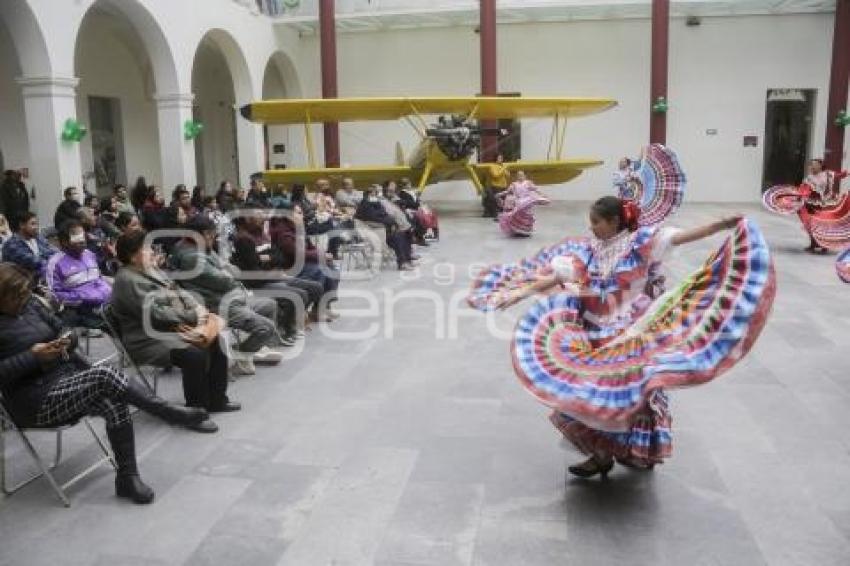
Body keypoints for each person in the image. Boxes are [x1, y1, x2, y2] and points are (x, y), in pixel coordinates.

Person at [474, 197, 774, 478]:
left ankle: (635, 451)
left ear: (615, 221)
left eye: (597, 222)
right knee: (588, 391)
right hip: (594, 330)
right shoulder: (590, 251)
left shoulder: (642, 243)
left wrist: (723, 224)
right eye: (591, 221)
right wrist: (520, 292)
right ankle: (601, 455)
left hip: (633, 330)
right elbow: (560, 276)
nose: (591, 227)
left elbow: (682, 237)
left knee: (632, 392)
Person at [0, 262, 208, 503]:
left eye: (25, 293)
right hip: (33, 401)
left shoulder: (32, 305)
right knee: (105, 376)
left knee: (114, 400)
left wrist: (67, 340)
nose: (23, 299)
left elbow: (64, 328)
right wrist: (32, 357)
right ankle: (168, 412)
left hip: (66, 380)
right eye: (16, 295)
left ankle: (127, 478)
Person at [110, 230, 237, 432]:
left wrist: (196, 306)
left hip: (171, 328)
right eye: (146, 248)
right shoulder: (127, 280)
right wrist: (193, 316)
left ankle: (217, 399)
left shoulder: (150, 269)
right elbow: (155, 314)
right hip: (147, 339)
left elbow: (178, 290)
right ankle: (195, 412)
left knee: (216, 341)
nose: (152, 252)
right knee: (194, 355)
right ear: (133, 255)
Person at [171, 216, 286, 372]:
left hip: (229, 297)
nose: (215, 237)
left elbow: (230, 269)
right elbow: (226, 280)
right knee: (266, 328)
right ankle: (242, 354)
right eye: (212, 234)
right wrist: (231, 276)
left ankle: (253, 349)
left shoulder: (201, 247)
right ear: (204, 234)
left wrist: (230, 273)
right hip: (216, 305)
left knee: (270, 305)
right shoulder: (192, 258)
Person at [230, 210, 323, 328]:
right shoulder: (244, 240)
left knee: (316, 287)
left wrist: (266, 259)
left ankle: (295, 317)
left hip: (275, 274)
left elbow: (279, 257)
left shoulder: (263, 235)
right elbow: (254, 269)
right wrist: (270, 267)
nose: (263, 218)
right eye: (258, 215)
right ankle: (285, 326)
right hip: (262, 282)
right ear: (247, 219)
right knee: (300, 293)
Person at [45, 219, 112, 331]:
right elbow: (54, 296)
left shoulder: (89, 254)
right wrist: (83, 297)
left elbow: (98, 278)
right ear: (65, 241)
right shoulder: (55, 263)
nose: (83, 240)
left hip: (107, 305)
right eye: (77, 237)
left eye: (83, 236)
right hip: (82, 311)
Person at [356, 185, 414, 270]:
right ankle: (403, 262)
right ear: (369, 195)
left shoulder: (376, 203)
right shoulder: (366, 203)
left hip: (383, 228)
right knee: (398, 237)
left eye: (377, 193)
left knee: (404, 234)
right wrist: (391, 223)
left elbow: (384, 214)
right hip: (373, 230)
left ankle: (407, 260)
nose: (377, 195)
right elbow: (374, 217)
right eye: (374, 193)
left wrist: (392, 222)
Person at [800, 158, 847, 253]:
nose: (813, 166)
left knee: (822, 225)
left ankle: (824, 245)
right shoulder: (809, 178)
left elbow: (838, 176)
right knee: (810, 225)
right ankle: (813, 244)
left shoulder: (827, 174)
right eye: (812, 164)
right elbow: (803, 189)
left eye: (815, 164)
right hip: (809, 204)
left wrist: (845, 173)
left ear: (821, 166)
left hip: (821, 204)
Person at [1, 211, 57, 278]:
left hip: (40, 278)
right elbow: (33, 261)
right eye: (33, 224)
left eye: (37, 224)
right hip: (19, 283)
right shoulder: (12, 245)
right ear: (22, 225)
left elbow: (52, 251)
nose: (36, 227)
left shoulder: (37, 238)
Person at [497, 171, 550, 237]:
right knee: (517, 214)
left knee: (527, 216)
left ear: (524, 176)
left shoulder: (528, 183)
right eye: (519, 175)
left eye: (521, 175)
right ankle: (518, 229)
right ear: (517, 176)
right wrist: (500, 194)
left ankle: (526, 230)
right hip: (519, 201)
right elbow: (507, 191)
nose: (520, 177)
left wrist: (543, 195)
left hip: (527, 201)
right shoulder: (514, 184)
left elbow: (536, 190)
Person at [482, 153, 510, 218]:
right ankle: (494, 213)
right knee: (496, 200)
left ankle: (502, 213)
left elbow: (508, 175)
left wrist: (504, 169)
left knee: (503, 202)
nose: (501, 159)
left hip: (504, 186)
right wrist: (503, 169)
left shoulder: (502, 166)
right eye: (499, 158)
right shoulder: (492, 166)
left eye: (502, 158)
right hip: (496, 186)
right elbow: (495, 175)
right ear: (496, 159)